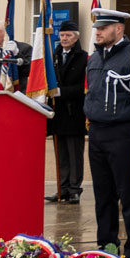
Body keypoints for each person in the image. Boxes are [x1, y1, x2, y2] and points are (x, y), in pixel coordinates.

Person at [83, 9, 130, 258]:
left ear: (118, 29)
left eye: (104, 28)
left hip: (122, 134)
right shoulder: (94, 58)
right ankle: (106, 245)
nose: (98, 32)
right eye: (97, 28)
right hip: (97, 133)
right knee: (102, 194)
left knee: (128, 194)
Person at [47, 21, 89, 204]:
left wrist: (62, 92)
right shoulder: (53, 56)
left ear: (76, 37)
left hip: (74, 112)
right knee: (61, 153)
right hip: (58, 113)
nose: (64, 39)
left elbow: (85, 87)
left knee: (74, 153)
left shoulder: (84, 58)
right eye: (62, 35)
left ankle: (74, 189)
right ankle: (61, 188)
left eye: (68, 35)